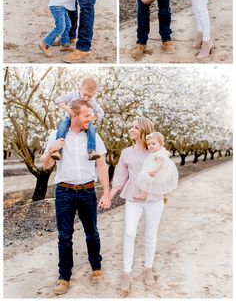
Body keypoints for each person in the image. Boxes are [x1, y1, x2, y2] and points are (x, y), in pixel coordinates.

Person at [41, 99, 111, 296]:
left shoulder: (93, 136)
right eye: (87, 115)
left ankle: (96, 267)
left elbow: (102, 165)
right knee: (64, 236)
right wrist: (51, 150)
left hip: (88, 191)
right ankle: (64, 276)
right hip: (64, 192)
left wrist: (106, 192)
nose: (91, 118)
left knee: (92, 232)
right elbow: (45, 165)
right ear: (75, 115)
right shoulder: (57, 135)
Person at [109, 117, 165, 293]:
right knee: (129, 232)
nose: (131, 130)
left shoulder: (156, 150)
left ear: (144, 130)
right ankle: (127, 272)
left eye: (135, 127)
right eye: (131, 127)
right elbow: (119, 177)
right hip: (133, 196)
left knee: (150, 233)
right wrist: (109, 196)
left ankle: (148, 268)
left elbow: (165, 173)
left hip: (154, 197)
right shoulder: (126, 152)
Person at [51, 76, 104, 161]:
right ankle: (58, 151)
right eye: (85, 94)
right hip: (70, 118)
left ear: (93, 95)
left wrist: (91, 118)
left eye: (89, 96)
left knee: (92, 129)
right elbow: (58, 100)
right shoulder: (73, 95)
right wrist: (68, 109)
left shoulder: (92, 101)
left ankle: (91, 151)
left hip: (84, 121)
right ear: (79, 89)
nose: (86, 98)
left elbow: (101, 113)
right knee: (62, 127)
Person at [134, 132, 178, 200]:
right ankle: (162, 195)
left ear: (161, 144)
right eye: (149, 144)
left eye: (153, 144)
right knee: (151, 182)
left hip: (156, 170)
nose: (150, 146)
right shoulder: (156, 152)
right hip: (156, 170)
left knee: (145, 179)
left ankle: (143, 195)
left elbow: (160, 163)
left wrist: (154, 171)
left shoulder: (158, 154)